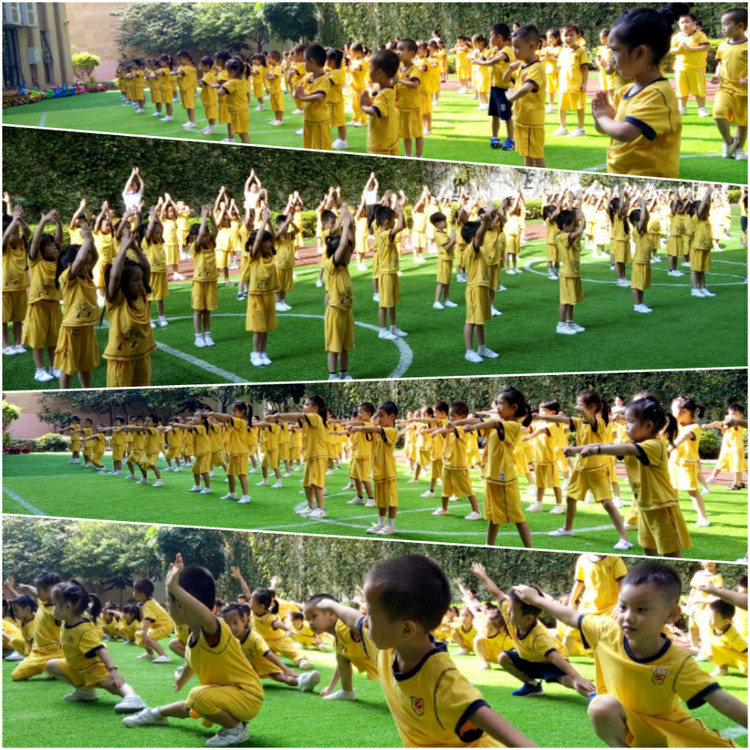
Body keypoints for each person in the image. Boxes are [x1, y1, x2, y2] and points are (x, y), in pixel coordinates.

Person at [514, 562, 748, 747]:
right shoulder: (605, 631)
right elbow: (570, 616)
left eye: (641, 609)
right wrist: (536, 599)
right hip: (626, 722)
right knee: (601, 705)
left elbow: (722, 700)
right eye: (623, 606)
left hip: (672, 729)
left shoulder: (678, 662)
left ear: (671, 615)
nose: (628, 616)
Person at [314, 556, 537, 747]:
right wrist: (332, 606)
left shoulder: (441, 679)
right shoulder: (387, 645)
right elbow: (354, 620)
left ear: (406, 629)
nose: (365, 620)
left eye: (371, 614)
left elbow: (501, 729)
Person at [124, 554, 264, 748]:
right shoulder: (192, 639)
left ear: (182, 604)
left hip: (247, 696)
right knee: (193, 703)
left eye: (169, 601)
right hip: (225, 694)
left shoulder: (216, 630)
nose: (167, 607)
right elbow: (190, 665)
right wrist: (180, 681)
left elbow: (207, 617)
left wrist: (174, 588)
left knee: (198, 697)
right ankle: (155, 714)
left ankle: (236, 730)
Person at [470, 562, 595, 698]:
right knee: (503, 657)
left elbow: (555, 657)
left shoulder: (539, 636)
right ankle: (532, 686)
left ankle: (595, 695)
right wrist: (483, 576)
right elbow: (497, 593)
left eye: (513, 611)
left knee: (567, 680)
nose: (508, 612)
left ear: (528, 619)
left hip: (550, 662)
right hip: (530, 659)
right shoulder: (510, 611)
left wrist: (577, 677)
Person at [592, 4, 684, 177]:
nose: (612, 59)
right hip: (621, 173)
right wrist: (600, 118)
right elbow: (607, 128)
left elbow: (625, 132)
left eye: (615, 50)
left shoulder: (657, 94)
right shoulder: (625, 91)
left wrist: (603, 117)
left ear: (640, 52)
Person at [545, 390, 633, 550]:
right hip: (580, 468)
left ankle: (624, 539)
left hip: (597, 469)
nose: (577, 407)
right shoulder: (579, 422)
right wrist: (538, 417)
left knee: (607, 503)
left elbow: (591, 420)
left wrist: (583, 412)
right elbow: (562, 419)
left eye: (581, 404)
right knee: (570, 498)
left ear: (592, 406)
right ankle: (567, 528)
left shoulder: (599, 423)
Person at [46, 580, 145, 711]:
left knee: (113, 685)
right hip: (77, 667)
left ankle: (133, 698)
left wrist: (113, 670)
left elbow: (100, 649)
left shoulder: (83, 630)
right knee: (51, 665)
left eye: (55, 605)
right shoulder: (68, 622)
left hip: (94, 668)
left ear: (68, 607)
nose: (53, 609)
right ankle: (84, 692)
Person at [220, 602, 321, 690]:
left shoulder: (254, 639)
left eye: (235, 623)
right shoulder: (229, 637)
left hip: (265, 663)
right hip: (249, 666)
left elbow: (268, 654)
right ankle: (302, 679)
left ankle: (302, 679)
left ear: (244, 620)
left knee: (282, 677)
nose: (232, 628)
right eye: (228, 625)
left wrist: (286, 669)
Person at [103, 225, 157, 387]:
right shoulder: (117, 300)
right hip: (121, 359)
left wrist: (134, 247)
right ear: (123, 283)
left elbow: (146, 267)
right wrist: (123, 248)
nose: (141, 283)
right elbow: (115, 276)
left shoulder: (141, 295)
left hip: (142, 355)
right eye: (135, 280)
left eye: (141, 279)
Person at [303, 594, 379, 700]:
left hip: (392, 667)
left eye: (314, 616)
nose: (310, 623)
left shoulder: (343, 626)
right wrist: (331, 687)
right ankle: (346, 691)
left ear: (331, 614)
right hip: (385, 670)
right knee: (341, 655)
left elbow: (359, 622)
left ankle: (347, 692)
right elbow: (340, 665)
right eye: (308, 619)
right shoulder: (337, 639)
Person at [53, 221, 99, 389]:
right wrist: (86, 240)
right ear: (70, 266)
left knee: (85, 366)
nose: (88, 266)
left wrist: (90, 239)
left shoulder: (85, 275)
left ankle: (86, 391)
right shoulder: (67, 278)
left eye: (87, 263)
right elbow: (80, 260)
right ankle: (65, 394)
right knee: (67, 368)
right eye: (84, 263)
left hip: (87, 327)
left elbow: (95, 257)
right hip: (72, 329)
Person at [268, 395, 329, 519]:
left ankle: (321, 509)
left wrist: (278, 415)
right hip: (310, 456)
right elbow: (297, 418)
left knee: (316, 484)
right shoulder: (308, 420)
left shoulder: (315, 417)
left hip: (318, 455)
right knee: (307, 484)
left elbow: (299, 416)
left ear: (315, 408)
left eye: (307, 405)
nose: (303, 407)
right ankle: (311, 507)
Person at [24, 208, 63, 382]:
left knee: (54, 339)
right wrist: (43, 221)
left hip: (54, 304)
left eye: (54, 245)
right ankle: (39, 371)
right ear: (41, 249)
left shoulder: (57, 260)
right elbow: (34, 242)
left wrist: (58, 222)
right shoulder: (35, 260)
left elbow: (59, 240)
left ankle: (54, 367)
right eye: (49, 245)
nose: (54, 247)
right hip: (38, 305)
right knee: (38, 340)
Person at [350, 400, 400, 535]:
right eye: (377, 416)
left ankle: (391, 525)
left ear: (392, 417)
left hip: (388, 471)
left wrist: (360, 428)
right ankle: (381, 523)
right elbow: (373, 432)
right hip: (378, 472)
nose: (378, 419)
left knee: (391, 500)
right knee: (381, 501)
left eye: (381, 416)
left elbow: (376, 429)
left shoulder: (391, 431)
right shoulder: (379, 432)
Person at [431, 402, 482, 521]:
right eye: (450, 416)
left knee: (467, 488)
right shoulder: (450, 426)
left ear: (462, 417)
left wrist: (439, 431)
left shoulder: (462, 428)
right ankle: (444, 508)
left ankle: (476, 511)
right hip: (447, 463)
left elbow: (452, 430)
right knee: (445, 488)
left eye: (453, 416)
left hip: (459, 464)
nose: (451, 419)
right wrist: (438, 430)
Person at [505, 25, 547, 167]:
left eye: (517, 47)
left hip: (531, 121)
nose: (514, 50)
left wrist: (512, 97)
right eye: (513, 46)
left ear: (531, 46)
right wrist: (509, 70)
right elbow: (506, 79)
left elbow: (527, 87)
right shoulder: (522, 66)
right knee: (526, 154)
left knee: (536, 156)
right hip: (521, 118)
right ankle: (528, 177)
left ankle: (540, 178)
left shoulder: (536, 68)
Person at [10, 572, 63, 681]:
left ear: (49, 590)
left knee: (58, 668)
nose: (37, 593)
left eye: (39, 590)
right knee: (16, 675)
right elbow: (27, 599)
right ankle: (49, 668)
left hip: (54, 652)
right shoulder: (43, 602)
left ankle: (57, 666)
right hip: (37, 652)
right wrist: (28, 587)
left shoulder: (57, 611)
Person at [711, 8, 748, 160]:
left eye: (726, 24)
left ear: (740, 25)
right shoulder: (722, 46)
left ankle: (739, 149)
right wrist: (717, 75)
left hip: (744, 90)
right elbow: (720, 63)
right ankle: (730, 142)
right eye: (722, 24)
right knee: (718, 114)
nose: (723, 28)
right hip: (725, 87)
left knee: (742, 121)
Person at [323, 208, 355, 380]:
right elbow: (343, 246)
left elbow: (350, 244)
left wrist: (351, 228)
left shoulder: (343, 265)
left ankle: (344, 373)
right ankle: (332, 376)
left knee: (344, 346)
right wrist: (345, 224)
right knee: (334, 348)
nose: (348, 254)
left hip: (346, 311)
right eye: (345, 252)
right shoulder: (332, 265)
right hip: (335, 311)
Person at [669, 395, 710, 526]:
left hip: (687, 464)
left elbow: (685, 436)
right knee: (671, 491)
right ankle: (672, 516)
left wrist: (670, 447)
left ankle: (703, 518)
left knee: (692, 492)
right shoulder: (677, 424)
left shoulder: (694, 427)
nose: (672, 414)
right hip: (674, 463)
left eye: (674, 411)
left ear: (685, 412)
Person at [373, 202, 407, 341]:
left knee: (391, 303)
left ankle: (393, 327)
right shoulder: (384, 235)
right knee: (384, 304)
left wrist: (398, 214)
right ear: (387, 222)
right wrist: (401, 212)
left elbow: (401, 225)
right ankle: (382, 330)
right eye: (393, 219)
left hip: (391, 272)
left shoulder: (387, 233)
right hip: (386, 274)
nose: (395, 221)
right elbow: (401, 226)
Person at [206, 403, 251, 504]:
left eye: (235, 411)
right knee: (230, 474)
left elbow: (227, 417)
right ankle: (232, 493)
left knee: (241, 475)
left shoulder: (241, 422)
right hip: (234, 452)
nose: (233, 413)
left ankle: (246, 496)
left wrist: (212, 414)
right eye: (232, 411)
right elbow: (226, 421)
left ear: (242, 411)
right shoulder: (236, 422)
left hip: (241, 452)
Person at [669, 11, 711, 116]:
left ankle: (702, 109)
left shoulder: (700, 34)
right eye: (682, 22)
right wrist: (678, 49)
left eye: (687, 22)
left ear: (694, 23)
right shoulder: (677, 36)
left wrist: (690, 48)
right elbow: (670, 50)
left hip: (697, 68)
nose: (685, 25)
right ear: (678, 24)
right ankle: (682, 108)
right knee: (681, 89)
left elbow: (706, 47)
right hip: (681, 68)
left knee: (699, 89)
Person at [360, 49, 400, 155]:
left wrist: (363, 106)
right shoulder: (379, 89)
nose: (368, 71)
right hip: (380, 141)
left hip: (384, 145)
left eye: (370, 68)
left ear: (379, 72)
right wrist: (369, 103)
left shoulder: (386, 93)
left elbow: (375, 111)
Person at [554, 204, 586, 335]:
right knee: (565, 301)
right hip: (567, 273)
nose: (576, 226)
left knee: (571, 300)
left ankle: (570, 322)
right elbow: (580, 231)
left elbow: (579, 230)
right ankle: (561, 325)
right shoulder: (562, 237)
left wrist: (580, 219)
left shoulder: (569, 234)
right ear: (565, 226)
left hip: (573, 272)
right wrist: (583, 218)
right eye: (573, 224)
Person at [190, 205, 218, 349]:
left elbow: (216, 230)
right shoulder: (195, 247)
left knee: (207, 310)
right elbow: (201, 235)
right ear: (195, 237)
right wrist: (203, 218)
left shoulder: (211, 244)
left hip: (211, 281)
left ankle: (207, 334)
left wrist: (211, 217)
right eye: (203, 235)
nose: (206, 237)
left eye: (207, 235)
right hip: (199, 282)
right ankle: (198, 337)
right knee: (198, 310)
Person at [554, 24, 589, 138]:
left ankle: (580, 128)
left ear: (578, 36)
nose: (568, 38)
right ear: (561, 37)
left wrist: (584, 83)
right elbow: (559, 67)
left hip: (577, 85)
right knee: (561, 106)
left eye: (571, 35)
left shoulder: (581, 51)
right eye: (565, 35)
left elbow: (585, 69)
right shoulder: (562, 51)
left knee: (580, 107)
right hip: (564, 85)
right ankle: (562, 127)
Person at [294, 45, 332, 151]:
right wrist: (297, 94)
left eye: (304, 61)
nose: (303, 64)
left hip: (319, 123)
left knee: (321, 150)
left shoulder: (323, 80)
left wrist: (302, 98)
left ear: (311, 61)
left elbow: (319, 97)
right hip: (308, 122)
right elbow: (296, 91)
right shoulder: (307, 77)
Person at [132, 576, 174, 663]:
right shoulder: (149, 602)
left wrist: (144, 633)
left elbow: (148, 619)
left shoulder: (148, 605)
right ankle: (150, 654)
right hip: (159, 625)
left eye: (134, 591)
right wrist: (142, 629)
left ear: (142, 595)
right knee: (139, 633)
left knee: (146, 635)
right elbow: (147, 619)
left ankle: (164, 656)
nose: (133, 593)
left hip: (164, 627)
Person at [394, 39, 423, 157]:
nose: (398, 52)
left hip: (413, 107)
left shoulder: (414, 69)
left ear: (411, 53)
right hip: (401, 107)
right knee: (406, 134)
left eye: (401, 49)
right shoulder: (399, 68)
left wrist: (399, 80)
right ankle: (408, 155)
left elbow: (415, 84)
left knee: (417, 133)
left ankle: (419, 156)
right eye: (397, 49)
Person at [217, 58, 250, 144]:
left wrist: (221, 86)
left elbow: (220, 92)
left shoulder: (232, 82)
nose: (227, 74)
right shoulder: (241, 81)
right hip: (242, 111)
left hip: (237, 112)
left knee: (243, 135)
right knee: (244, 134)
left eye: (228, 72)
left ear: (233, 72)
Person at [173, 49, 198, 129]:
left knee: (190, 106)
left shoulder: (188, 68)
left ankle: (192, 121)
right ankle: (190, 121)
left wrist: (173, 73)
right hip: (184, 90)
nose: (179, 61)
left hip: (189, 90)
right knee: (188, 106)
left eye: (180, 59)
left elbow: (180, 72)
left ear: (187, 58)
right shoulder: (183, 67)